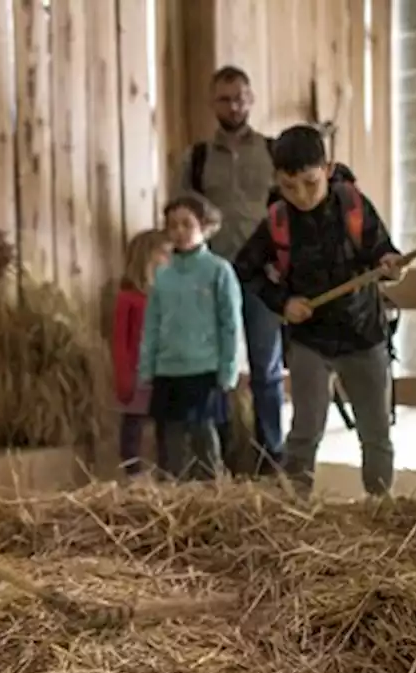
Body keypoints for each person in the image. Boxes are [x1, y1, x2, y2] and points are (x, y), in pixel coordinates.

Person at [233, 125, 404, 499]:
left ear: (326, 169)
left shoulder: (354, 206)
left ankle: (380, 507)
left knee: (375, 431)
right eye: (289, 186)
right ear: (278, 180)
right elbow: (244, 267)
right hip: (311, 341)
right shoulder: (277, 220)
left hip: (364, 334)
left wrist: (391, 264)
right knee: (305, 430)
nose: (302, 196)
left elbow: (382, 251)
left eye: (310, 183)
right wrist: (283, 303)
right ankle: (295, 506)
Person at [176, 65, 284, 473]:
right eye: (224, 98)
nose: (234, 105)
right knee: (211, 368)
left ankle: (272, 459)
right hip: (212, 276)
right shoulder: (197, 158)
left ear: (251, 100)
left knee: (267, 370)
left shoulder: (273, 152)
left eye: (240, 97)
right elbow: (180, 215)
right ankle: (218, 458)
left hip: (263, 277)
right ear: (212, 103)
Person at [137, 193, 242, 480]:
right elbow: (152, 323)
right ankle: (174, 498)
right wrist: (147, 366)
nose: (180, 232)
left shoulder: (219, 271)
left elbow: (230, 323)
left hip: (204, 370)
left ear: (204, 226)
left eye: (187, 224)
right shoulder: (163, 275)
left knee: (204, 440)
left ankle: (213, 496)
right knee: (170, 444)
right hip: (168, 370)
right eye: (173, 226)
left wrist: (228, 370)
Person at [112, 229, 172, 476]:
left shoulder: (168, 296)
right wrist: (124, 376)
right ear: (147, 256)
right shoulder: (128, 298)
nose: (169, 258)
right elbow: (119, 341)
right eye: (165, 253)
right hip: (138, 374)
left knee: (166, 428)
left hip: (165, 371)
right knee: (133, 425)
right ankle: (132, 473)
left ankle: (168, 473)